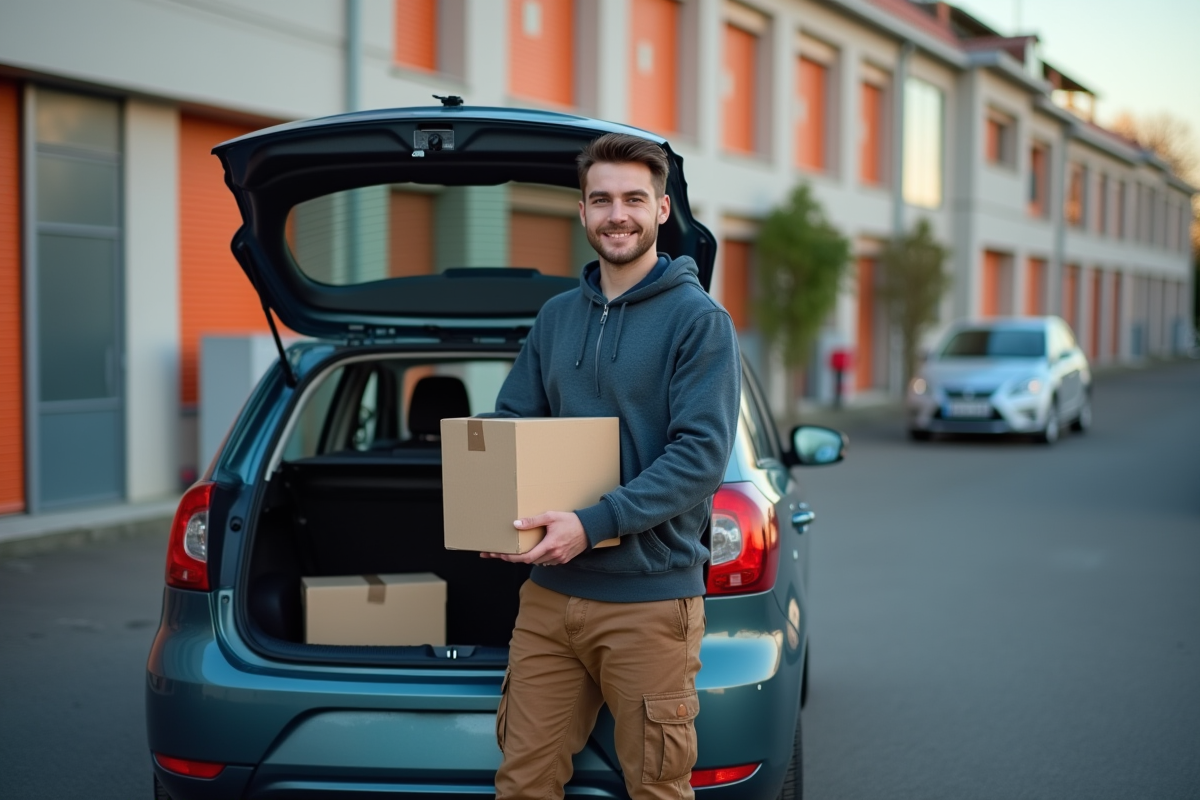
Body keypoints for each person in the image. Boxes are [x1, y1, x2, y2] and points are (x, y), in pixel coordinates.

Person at [480, 132, 741, 800]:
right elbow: (514, 420)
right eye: (601, 200)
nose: (615, 213)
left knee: (657, 788)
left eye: (633, 198)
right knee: (522, 782)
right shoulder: (556, 317)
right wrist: (493, 505)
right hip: (550, 597)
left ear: (660, 211)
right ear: (582, 211)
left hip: (648, 603)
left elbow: (699, 457)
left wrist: (592, 524)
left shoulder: (698, 321)